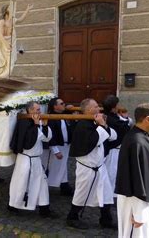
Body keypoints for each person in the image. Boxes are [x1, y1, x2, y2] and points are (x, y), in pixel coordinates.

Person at [66, 98, 117, 230]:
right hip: (87, 167)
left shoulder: (95, 122)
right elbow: (93, 141)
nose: (98, 109)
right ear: (89, 110)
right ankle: (72, 217)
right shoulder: (82, 125)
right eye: (95, 106)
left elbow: (113, 136)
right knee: (81, 194)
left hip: (100, 167)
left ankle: (106, 220)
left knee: (106, 193)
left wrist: (103, 125)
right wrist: (100, 126)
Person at [115, 103, 149, 238]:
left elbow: (146, 173)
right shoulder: (137, 141)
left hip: (141, 201)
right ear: (147, 118)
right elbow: (135, 177)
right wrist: (139, 213)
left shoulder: (139, 137)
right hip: (134, 202)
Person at [8, 102, 56, 218]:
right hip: (25, 158)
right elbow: (30, 140)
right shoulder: (24, 121)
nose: (40, 112)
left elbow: (46, 138)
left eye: (40, 110)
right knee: (21, 183)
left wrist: (43, 125)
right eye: (37, 110)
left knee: (42, 182)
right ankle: (14, 205)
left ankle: (44, 209)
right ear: (30, 111)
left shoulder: (38, 121)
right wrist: (35, 125)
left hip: (36, 159)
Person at [41, 97, 74, 196]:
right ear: (55, 106)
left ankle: (64, 185)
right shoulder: (51, 118)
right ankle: (43, 185)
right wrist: (55, 150)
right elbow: (51, 136)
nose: (64, 105)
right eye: (62, 103)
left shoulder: (64, 115)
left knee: (63, 166)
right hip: (57, 147)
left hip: (65, 145)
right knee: (51, 167)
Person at [102, 95, 132, 193]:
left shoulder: (113, 116)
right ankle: (109, 194)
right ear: (113, 108)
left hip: (117, 149)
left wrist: (124, 118)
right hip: (113, 150)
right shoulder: (110, 118)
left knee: (115, 171)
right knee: (112, 172)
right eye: (117, 105)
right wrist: (126, 119)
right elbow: (124, 127)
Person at [0, 2, 33, 78]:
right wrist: (6, 44)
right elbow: (0, 35)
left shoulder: (13, 20)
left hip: (11, 44)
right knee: (3, 64)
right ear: (6, 11)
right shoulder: (2, 22)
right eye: (10, 8)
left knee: (10, 66)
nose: (12, 9)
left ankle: (0, 79)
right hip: (4, 45)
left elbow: (21, 19)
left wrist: (27, 10)